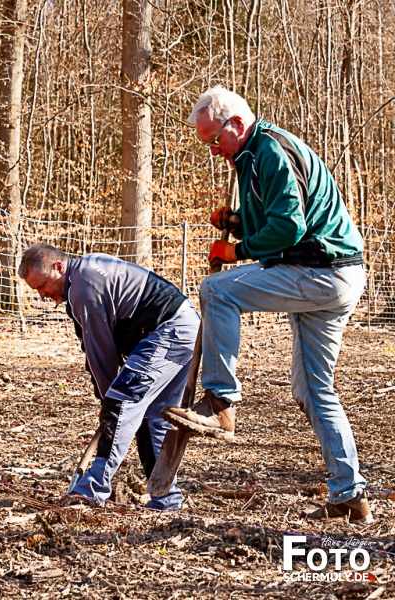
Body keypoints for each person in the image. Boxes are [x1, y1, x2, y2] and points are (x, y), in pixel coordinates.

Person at [162, 85, 372, 524]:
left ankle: (220, 402)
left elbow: (289, 228)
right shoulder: (253, 154)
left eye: (214, 140)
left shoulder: (270, 152)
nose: (214, 151)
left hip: (322, 271)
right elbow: (276, 217)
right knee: (313, 390)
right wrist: (236, 223)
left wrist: (234, 252)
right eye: (207, 144)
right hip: (333, 274)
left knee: (218, 290)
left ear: (236, 124)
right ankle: (349, 497)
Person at [18, 244, 200, 510]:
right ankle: (166, 499)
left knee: (122, 403)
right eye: (36, 290)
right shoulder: (84, 274)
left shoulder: (83, 287)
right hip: (185, 327)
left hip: (168, 330)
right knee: (155, 417)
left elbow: (100, 351)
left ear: (58, 267)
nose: (43, 294)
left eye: (43, 285)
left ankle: (89, 492)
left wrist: (108, 400)